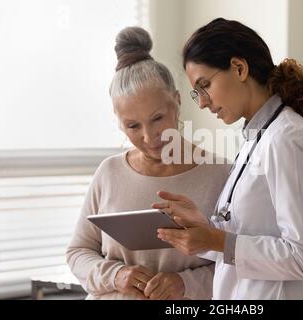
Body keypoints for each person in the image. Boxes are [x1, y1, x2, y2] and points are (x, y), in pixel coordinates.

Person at [153, 18, 303, 299]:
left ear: (239, 68)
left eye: (204, 85)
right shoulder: (256, 137)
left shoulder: (287, 138)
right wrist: (204, 229)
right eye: (197, 93)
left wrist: (218, 240)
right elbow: (249, 234)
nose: (203, 102)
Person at [66, 26, 230, 300]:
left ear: (177, 102)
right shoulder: (109, 173)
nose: (149, 137)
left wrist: (184, 283)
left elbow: (236, 262)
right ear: (119, 123)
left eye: (157, 119)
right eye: (132, 126)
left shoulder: (221, 174)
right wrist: (116, 276)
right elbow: (78, 253)